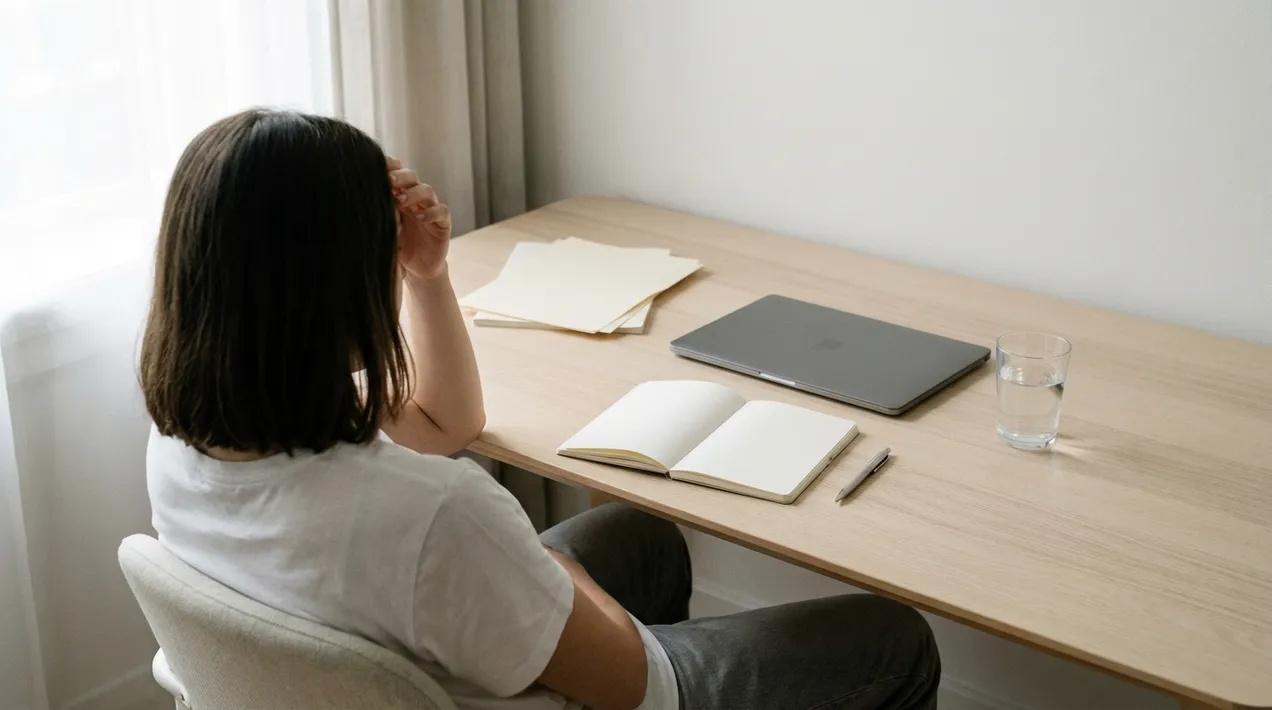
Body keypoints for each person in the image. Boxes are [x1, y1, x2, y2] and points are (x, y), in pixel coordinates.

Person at [141, 108, 939, 710]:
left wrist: (429, 276)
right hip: (601, 684)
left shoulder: (196, 435)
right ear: (331, 288)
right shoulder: (438, 515)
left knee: (644, 536)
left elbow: (445, 427)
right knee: (894, 636)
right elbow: (632, 680)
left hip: (388, 646)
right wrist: (550, 573)